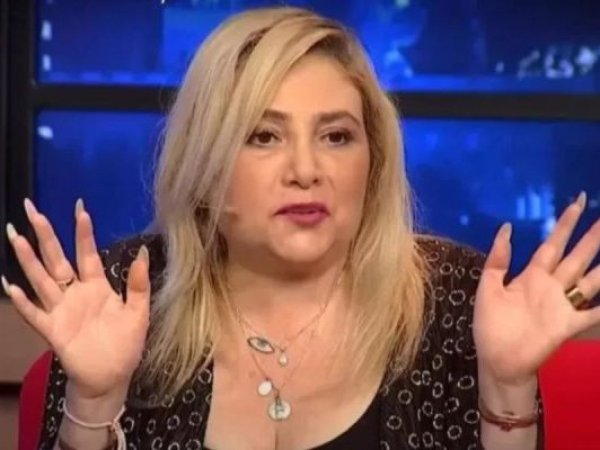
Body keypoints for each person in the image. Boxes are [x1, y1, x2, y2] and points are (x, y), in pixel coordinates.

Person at [3, 6, 599, 450]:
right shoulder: (124, 292)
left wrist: (507, 389)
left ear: (373, 163)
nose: (307, 170)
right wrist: (94, 401)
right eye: (264, 136)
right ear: (205, 166)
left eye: (336, 136)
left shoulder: (455, 301)